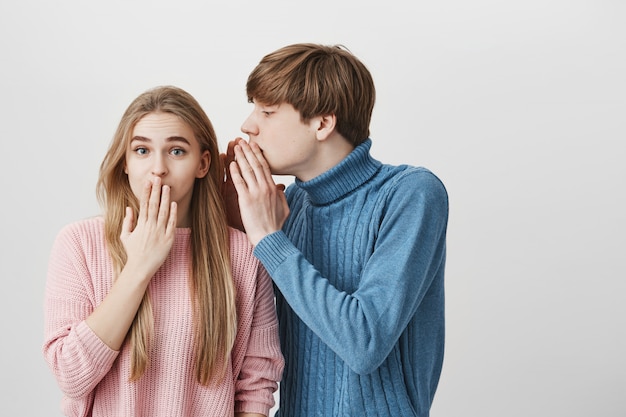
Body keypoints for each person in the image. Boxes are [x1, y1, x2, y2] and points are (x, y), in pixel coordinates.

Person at [222, 43, 449, 417]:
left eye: (267, 111)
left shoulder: (411, 194)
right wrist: (237, 230)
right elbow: (250, 344)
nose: (248, 125)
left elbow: (364, 342)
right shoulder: (285, 205)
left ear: (323, 124)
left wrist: (268, 238)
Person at [43, 85, 284, 417]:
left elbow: (255, 385)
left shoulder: (242, 253)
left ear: (203, 164)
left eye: (176, 151)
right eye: (142, 151)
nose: (157, 168)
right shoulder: (79, 243)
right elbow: (71, 375)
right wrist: (139, 267)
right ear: (124, 162)